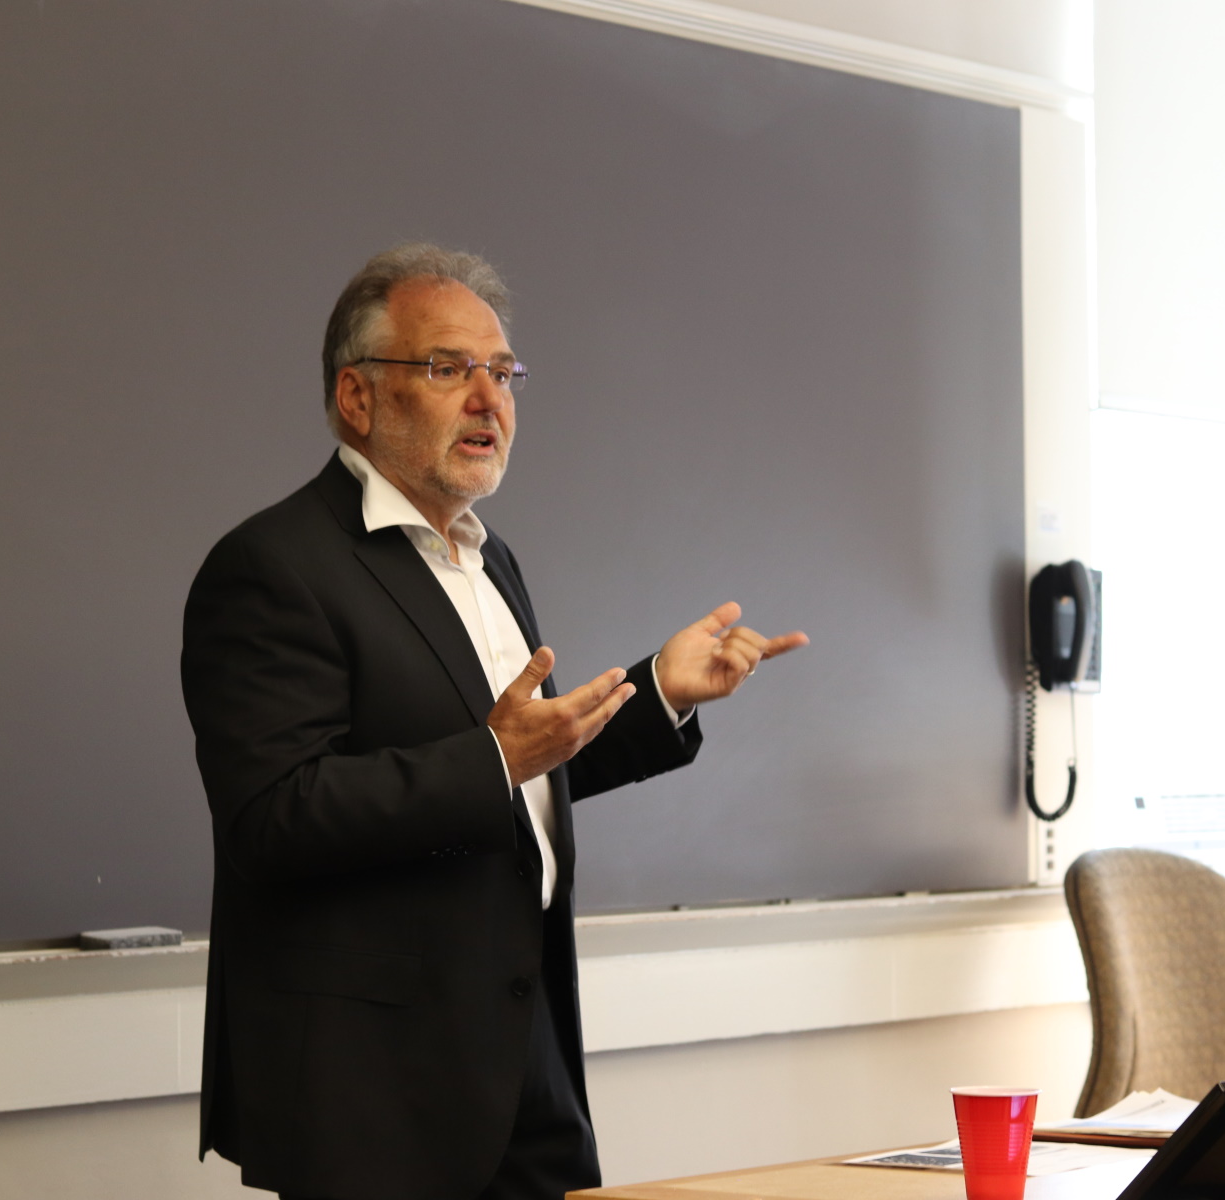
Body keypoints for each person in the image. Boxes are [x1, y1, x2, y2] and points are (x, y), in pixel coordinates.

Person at [180, 243, 807, 1200]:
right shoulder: (274, 568)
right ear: (358, 398)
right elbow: (276, 816)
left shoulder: (487, 559)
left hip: (527, 1059)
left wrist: (660, 692)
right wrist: (493, 758)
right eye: (447, 369)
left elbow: (520, 775)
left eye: (503, 372)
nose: (489, 398)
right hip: (375, 1093)